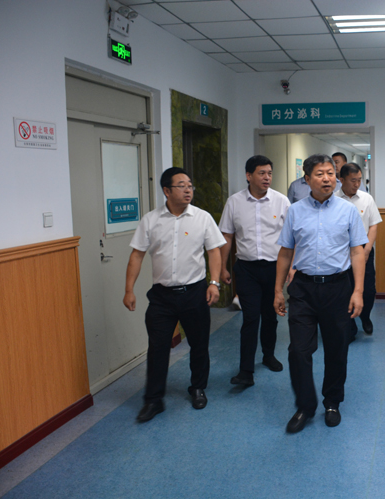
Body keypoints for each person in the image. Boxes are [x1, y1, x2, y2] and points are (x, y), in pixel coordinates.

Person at [274, 154, 369, 433]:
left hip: (338, 288)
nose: (327, 178)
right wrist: (278, 290)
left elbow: (357, 252)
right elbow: (285, 252)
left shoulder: (348, 210)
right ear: (307, 179)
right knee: (298, 351)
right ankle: (305, 405)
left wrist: (358, 291)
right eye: (319, 174)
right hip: (303, 288)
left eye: (330, 173)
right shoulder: (295, 211)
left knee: (337, 349)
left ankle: (332, 402)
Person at [123, 167, 225, 423]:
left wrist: (214, 283)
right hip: (162, 297)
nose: (188, 190)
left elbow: (214, 251)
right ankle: (153, 400)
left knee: (199, 345)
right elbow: (137, 255)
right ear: (167, 191)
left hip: (195, 292)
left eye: (190, 185)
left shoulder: (202, 218)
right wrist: (129, 289)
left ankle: (198, 388)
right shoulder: (151, 220)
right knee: (158, 347)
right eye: (182, 185)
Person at [219, 155, 290, 387]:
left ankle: (268, 355)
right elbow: (227, 236)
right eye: (262, 173)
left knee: (270, 316)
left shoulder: (281, 201)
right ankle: (245, 371)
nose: (267, 177)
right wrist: (222, 267)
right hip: (246, 269)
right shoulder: (234, 202)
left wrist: (292, 267)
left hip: (274, 268)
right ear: (249, 176)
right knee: (250, 318)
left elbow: (292, 237)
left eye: (269, 173)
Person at [336, 162, 381, 339]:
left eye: (359, 180)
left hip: (364, 249)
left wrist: (367, 249)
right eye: (353, 180)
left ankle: (365, 316)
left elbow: (373, 225)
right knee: (345, 290)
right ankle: (350, 325)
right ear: (341, 180)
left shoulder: (366, 198)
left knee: (368, 290)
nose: (357, 184)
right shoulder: (334, 200)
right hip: (341, 252)